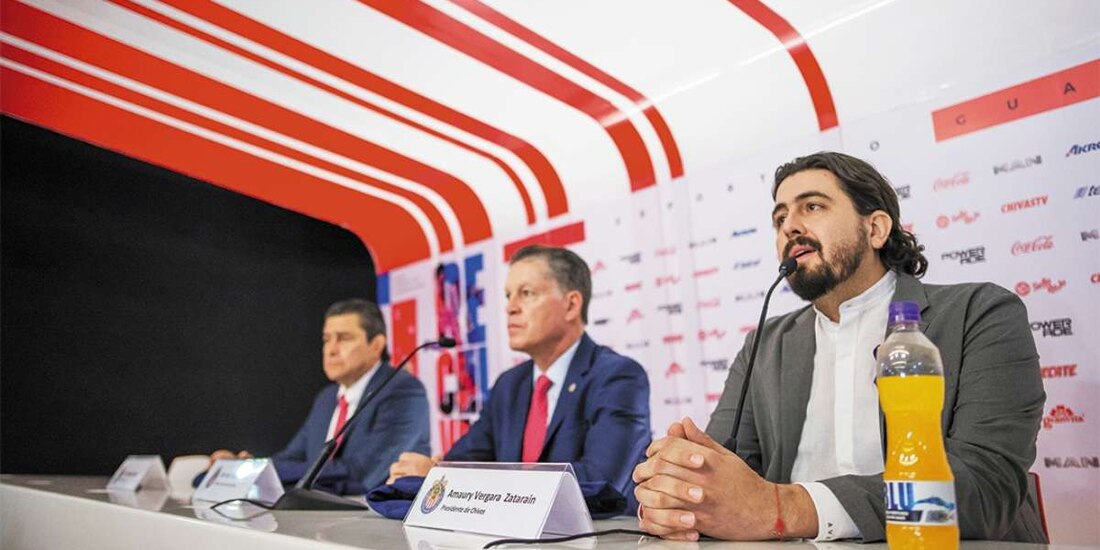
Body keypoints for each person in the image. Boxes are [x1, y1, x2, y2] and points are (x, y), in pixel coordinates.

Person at [633, 152, 1046, 542]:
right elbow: (722, 479)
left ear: (876, 229)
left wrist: (784, 508)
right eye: (780, 218)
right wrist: (681, 497)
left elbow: (984, 485)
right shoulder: (766, 344)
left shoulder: (979, 313)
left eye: (812, 206)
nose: (789, 227)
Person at [388, 245, 651, 507]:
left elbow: (599, 484)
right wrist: (435, 472)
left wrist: (455, 479)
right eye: (508, 296)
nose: (510, 308)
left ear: (571, 305)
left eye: (526, 293)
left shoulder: (617, 377)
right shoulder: (509, 385)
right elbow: (464, 460)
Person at [202, 299, 430, 494]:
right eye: (326, 339)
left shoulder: (403, 391)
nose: (331, 349)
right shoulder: (327, 398)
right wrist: (243, 466)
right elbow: (291, 458)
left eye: (344, 338)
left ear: (376, 345)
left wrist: (260, 469)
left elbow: (363, 474)